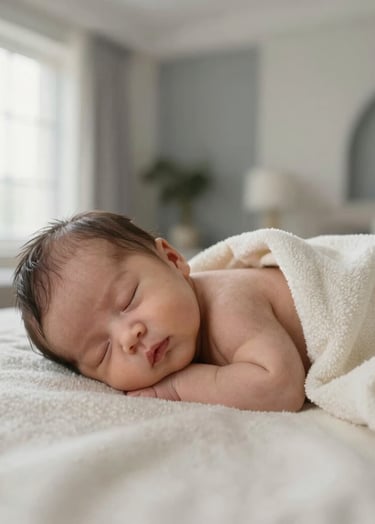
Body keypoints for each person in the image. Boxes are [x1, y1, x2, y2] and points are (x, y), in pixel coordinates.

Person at [14, 210, 310, 412]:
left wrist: (179, 388)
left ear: (172, 259)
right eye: (102, 352)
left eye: (128, 300)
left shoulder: (229, 304)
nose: (129, 337)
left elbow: (281, 387)